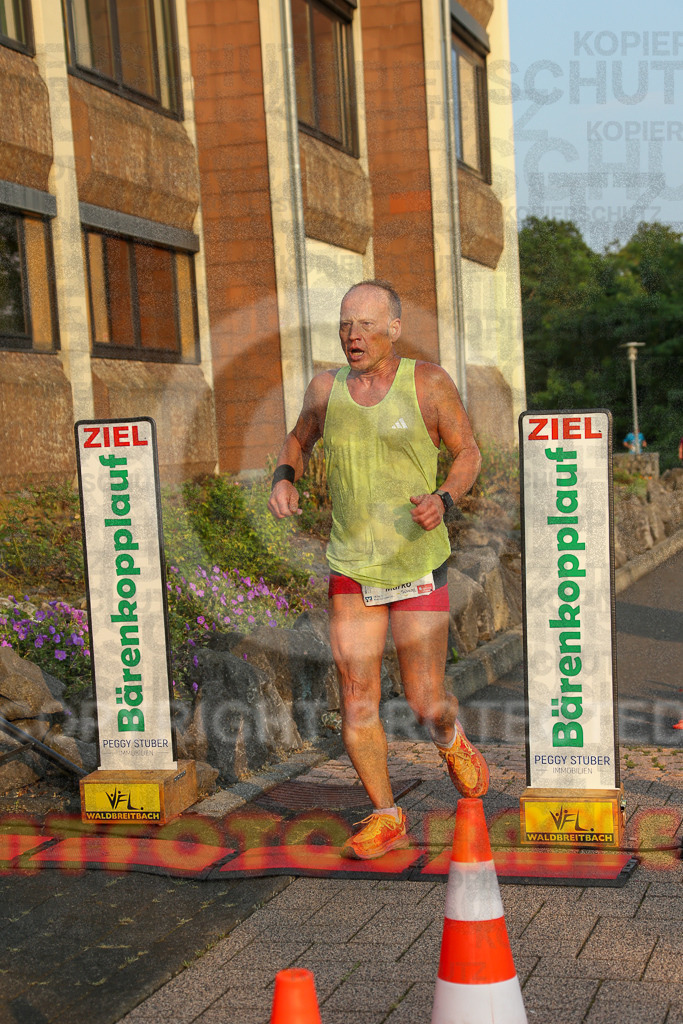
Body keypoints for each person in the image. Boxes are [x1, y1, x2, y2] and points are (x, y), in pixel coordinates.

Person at [268, 280, 489, 860]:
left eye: (365, 324)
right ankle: (386, 814)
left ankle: (450, 737)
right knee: (357, 692)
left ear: (394, 327)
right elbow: (298, 437)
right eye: (345, 324)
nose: (352, 335)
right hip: (351, 567)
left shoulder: (428, 382)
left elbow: (468, 451)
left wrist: (445, 495)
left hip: (416, 561)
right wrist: (284, 477)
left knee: (424, 698)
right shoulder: (326, 388)